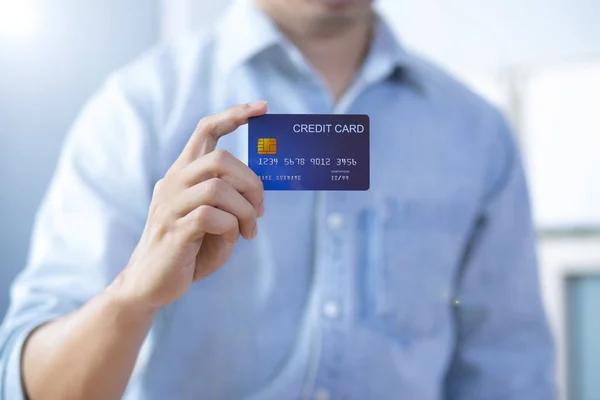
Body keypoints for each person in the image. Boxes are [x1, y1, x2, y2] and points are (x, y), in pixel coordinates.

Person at [0, 0, 555, 399]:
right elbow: (33, 387)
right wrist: (132, 296)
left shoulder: (477, 132)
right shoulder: (138, 108)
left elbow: (510, 370)